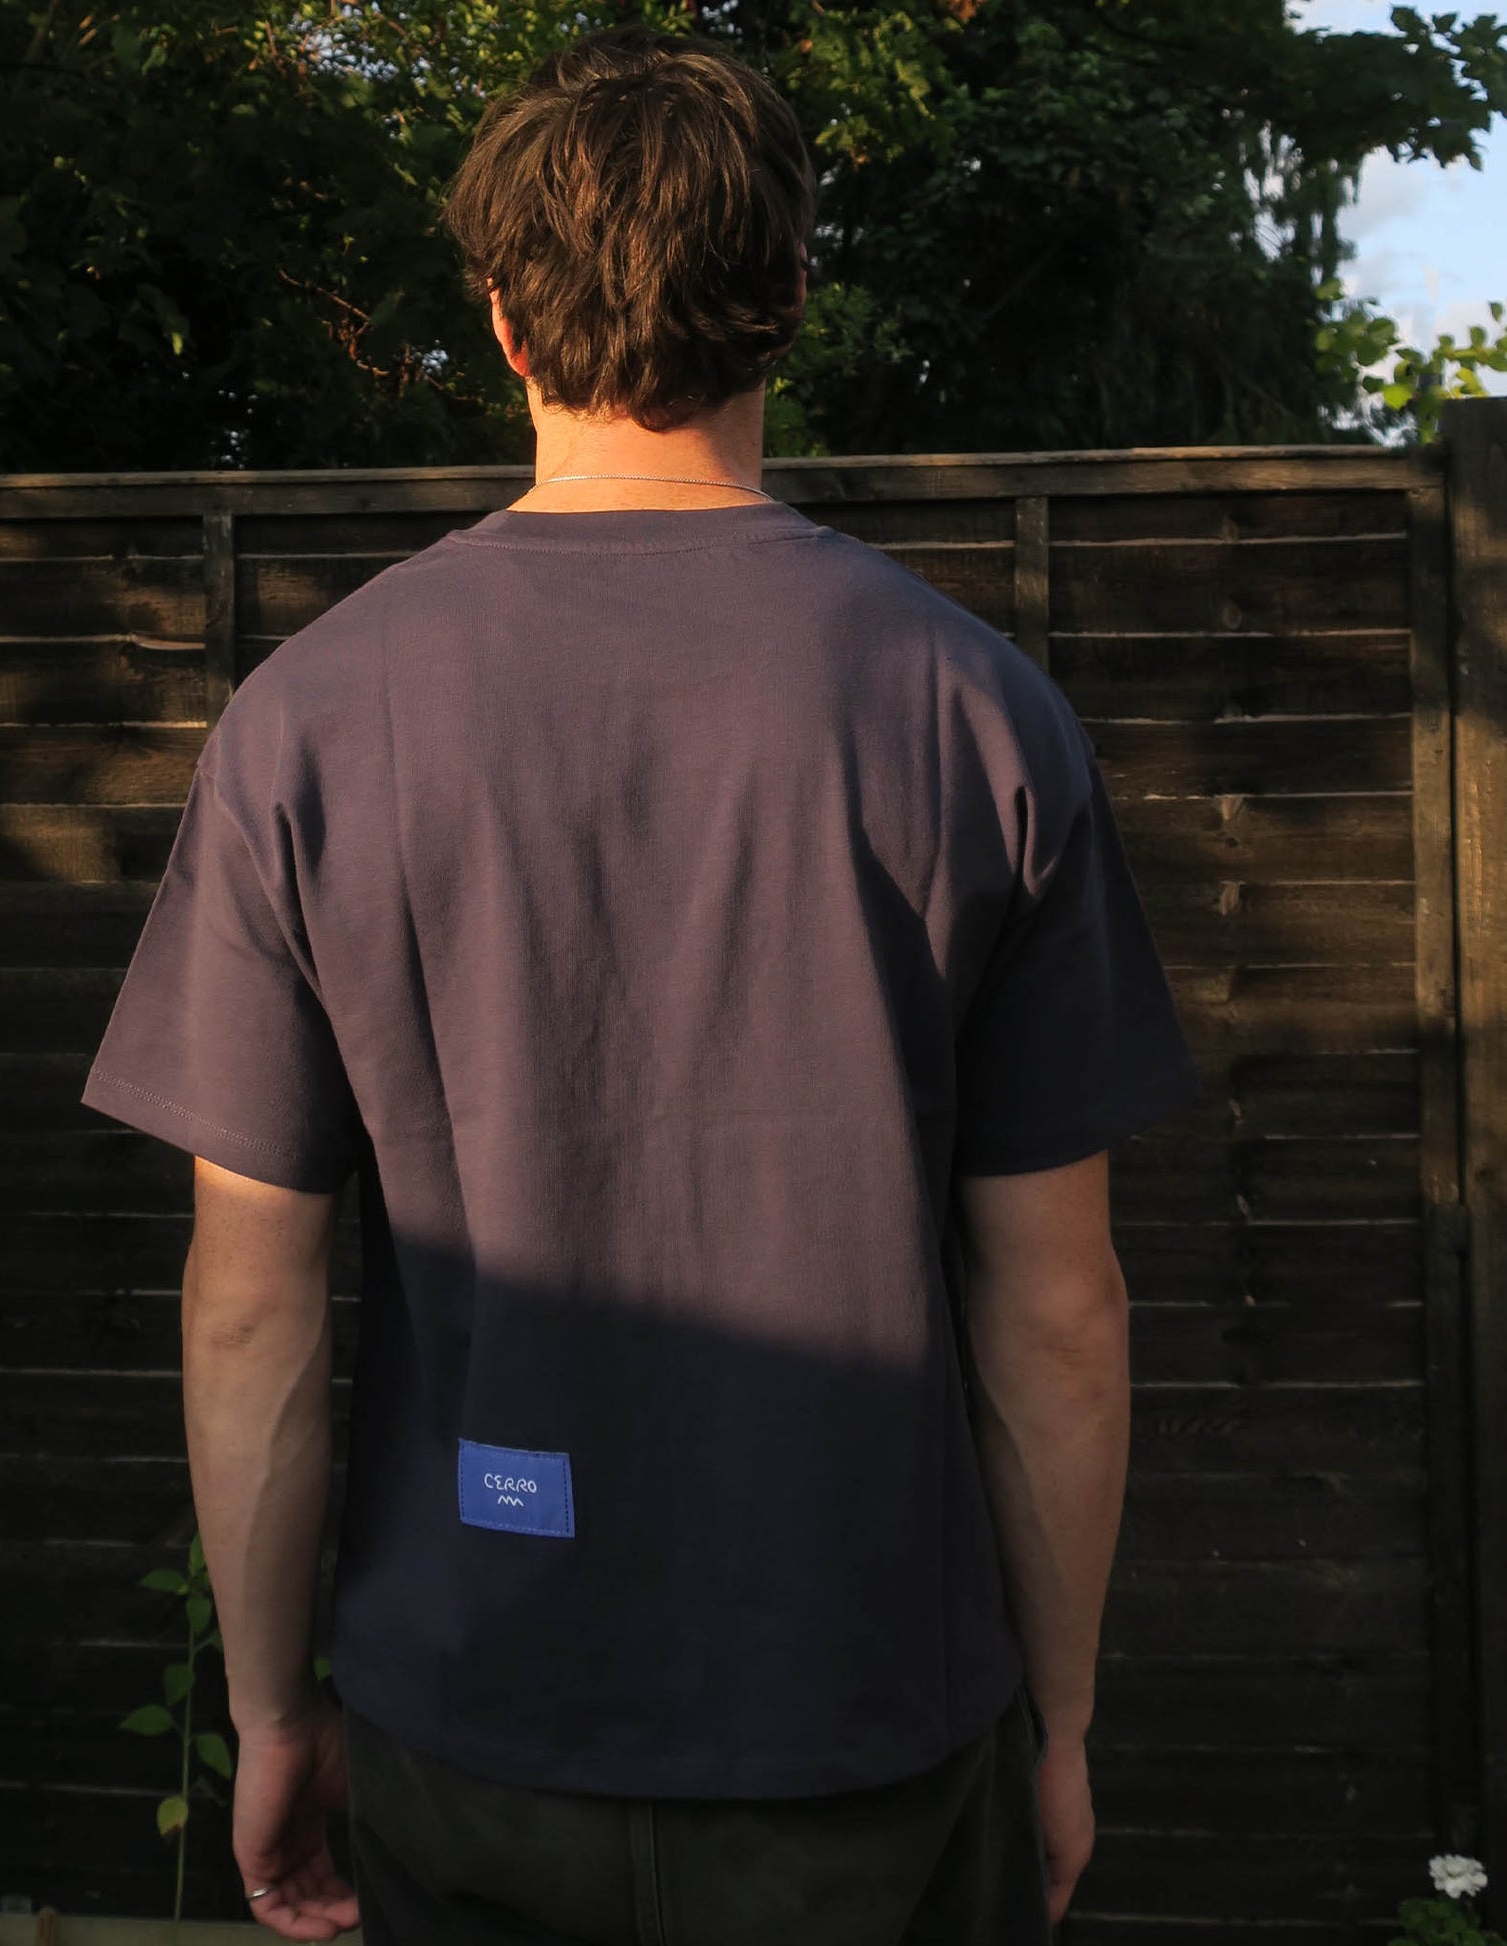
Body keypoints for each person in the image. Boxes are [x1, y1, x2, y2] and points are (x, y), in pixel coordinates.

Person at [79, 23, 1204, 1946]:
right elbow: (1061, 1307)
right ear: (783, 305)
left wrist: (269, 1713)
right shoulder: (971, 715)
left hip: (469, 1720)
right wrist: (1067, 1709)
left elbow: (249, 1304)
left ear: (504, 324)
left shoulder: (309, 723)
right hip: (869, 1729)